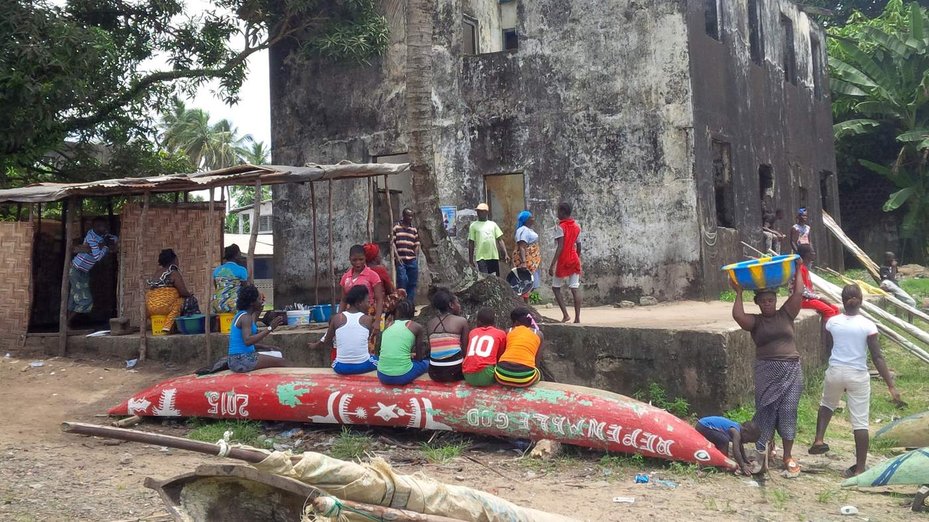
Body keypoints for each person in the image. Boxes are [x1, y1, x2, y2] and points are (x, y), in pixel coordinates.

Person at [808, 284, 902, 478]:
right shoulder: (867, 325)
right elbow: (877, 357)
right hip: (857, 375)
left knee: (827, 404)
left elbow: (829, 345)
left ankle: (818, 439)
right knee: (860, 422)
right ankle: (859, 468)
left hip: (835, 371)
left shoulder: (832, 322)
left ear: (842, 300)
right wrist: (891, 385)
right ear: (861, 300)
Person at [731, 262, 805, 478]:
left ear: (775, 300)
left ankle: (788, 456)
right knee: (767, 410)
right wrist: (738, 292)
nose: (767, 304)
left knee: (788, 411)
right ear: (758, 303)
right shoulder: (756, 322)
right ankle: (764, 449)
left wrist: (798, 268)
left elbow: (798, 292)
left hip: (791, 369)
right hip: (767, 371)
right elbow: (738, 316)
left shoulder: (786, 314)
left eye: (771, 300)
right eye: (763, 301)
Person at [318, 285, 379, 375]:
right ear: (359, 303)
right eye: (367, 301)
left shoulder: (337, 318)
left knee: (335, 361)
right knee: (378, 360)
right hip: (362, 366)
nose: (369, 305)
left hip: (340, 367)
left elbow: (327, 342)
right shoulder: (368, 320)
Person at [68, 217, 118, 324]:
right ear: (94, 227)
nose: (102, 228)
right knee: (86, 300)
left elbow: (115, 238)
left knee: (74, 298)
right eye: (99, 226)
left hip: (84, 271)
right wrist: (105, 247)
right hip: (76, 271)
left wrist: (110, 239)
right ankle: (66, 323)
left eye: (104, 226)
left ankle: (66, 324)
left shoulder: (102, 235)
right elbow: (98, 257)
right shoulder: (91, 238)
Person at [227, 284, 286, 372]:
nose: (261, 302)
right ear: (252, 303)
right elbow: (248, 341)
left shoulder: (242, 315)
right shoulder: (246, 317)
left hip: (236, 359)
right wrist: (270, 328)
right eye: (259, 299)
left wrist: (265, 346)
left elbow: (243, 342)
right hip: (242, 359)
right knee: (282, 362)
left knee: (278, 355)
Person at [146, 249, 199, 334]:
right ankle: (186, 327)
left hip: (151, 309)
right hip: (165, 308)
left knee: (174, 302)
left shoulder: (157, 273)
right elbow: (182, 292)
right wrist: (189, 294)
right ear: (174, 260)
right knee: (190, 300)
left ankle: (168, 327)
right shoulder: (173, 273)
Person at [376, 300, 429, 385]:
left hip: (382, 375)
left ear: (396, 312)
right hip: (401, 376)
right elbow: (419, 358)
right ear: (413, 313)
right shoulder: (416, 327)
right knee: (426, 363)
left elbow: (381, 349)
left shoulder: (388, 325)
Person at [425, 288, 469, 382]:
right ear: (451, 305)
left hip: (434, 372)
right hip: (455, 372)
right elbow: (465, 350)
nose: (459, 306)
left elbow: (431, 348)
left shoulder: (430, 323)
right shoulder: (461, 321)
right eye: (457, 303)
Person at [339, 244, 385, 333]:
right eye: (354, 260)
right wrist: (339, 318)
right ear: (350, 259)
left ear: (365, 258)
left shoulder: (373, 276)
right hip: (350, 315)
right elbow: (343, 300)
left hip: (368, 313)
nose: (358, 263)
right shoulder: (345, 277)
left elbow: (379, 299)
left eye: (361, 259)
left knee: (367, 343)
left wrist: (377, 321)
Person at [550, 202, 582, 323]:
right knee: (574, 288)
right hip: (574, 258)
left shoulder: (560, 227)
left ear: (563, 212)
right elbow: (579, 246)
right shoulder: (577, 227)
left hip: (563, 259)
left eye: (558, 211)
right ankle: (577, 317)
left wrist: (553, 264)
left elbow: (560, 246)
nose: (557, 214)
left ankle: (565, 314)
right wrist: (577, 258)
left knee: (556, 287)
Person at [695, 417, 761, 476]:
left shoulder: (738, 429)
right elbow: (736, 450)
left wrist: (745, 460)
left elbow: (740, 446)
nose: (747, 443)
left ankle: (718, 459)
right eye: (748, 440)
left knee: (722, 439)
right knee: (724, 441)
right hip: (704, 426)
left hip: (702, 424)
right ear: (745, 431)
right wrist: (743, 466)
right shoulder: (736, 432)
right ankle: (722, 464)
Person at [495, 307, 543, 387]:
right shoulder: (538, 334)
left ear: (516, 322)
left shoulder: (508, 331)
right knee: (537, 373)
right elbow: (537, 360)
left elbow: (502, 353)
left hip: (501, 375)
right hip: (525, 378)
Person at [463, 308, 508, 386]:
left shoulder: (472, 332)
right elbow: (500, 356)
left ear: (479, 321)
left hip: (467, 375)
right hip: (486, 376)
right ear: (494, 321)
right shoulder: (501, 334)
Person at [796, 245, 840, 320]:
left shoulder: (804, 268)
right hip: (802, 300)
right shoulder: (800, 269)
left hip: (808, 299)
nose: (814, 254)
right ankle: (826, 331)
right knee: (829, 311)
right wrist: (819, 298)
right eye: (812, 252)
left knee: (836, 309)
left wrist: (817, 298)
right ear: (806, 254)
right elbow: (803, 292)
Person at [364, 242, 406, 317]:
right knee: (401, 292)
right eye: (379, 254)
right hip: (376, 306)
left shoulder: (361, 270)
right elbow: (390, 290)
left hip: (363, 305)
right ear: (375, 257)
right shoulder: (379, 270)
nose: (380, 256)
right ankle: (394, 317)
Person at [468, 203, 510, 276]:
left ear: (486, 212)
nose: (479, 213)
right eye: (478, 211)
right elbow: (471, 242)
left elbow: (499, 240)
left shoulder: (493, 224)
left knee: (495, 278)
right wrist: (471, 260)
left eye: (481, 211)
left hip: (493, 256)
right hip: (481, 257)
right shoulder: (473, 226)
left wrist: (505, 253)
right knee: (485, 278)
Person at [512, 210, 541, 302]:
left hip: (531, 260)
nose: (533, 219)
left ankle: (525, 305)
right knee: (526, 283)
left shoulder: (528, 230)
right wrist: (524, 262)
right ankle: (524, 305)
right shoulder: (523, 230)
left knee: (529, 283)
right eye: (531, 217)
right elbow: (522, 247)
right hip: (527, 260)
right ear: (526, 220)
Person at [393, 208, 421, 304]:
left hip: (412, 260)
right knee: (402, 281)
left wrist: (415, 256)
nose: (410, 218)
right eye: (408, 216)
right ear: (403, 216)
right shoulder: (396, 228)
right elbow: (392, 243)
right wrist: (397, 256)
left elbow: (417, 244)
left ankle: (410, 305)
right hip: (401, 260)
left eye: (411, 216)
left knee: (412, 283)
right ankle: (401, 305)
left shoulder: (414, 229)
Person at [212, 244, 248, 314]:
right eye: (239, 254)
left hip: (217, 305)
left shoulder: (217, 270)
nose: (241, 256)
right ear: (236, 255)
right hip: (234, 306)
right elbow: (245, 290)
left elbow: (217, 287)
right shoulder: (241, 270)